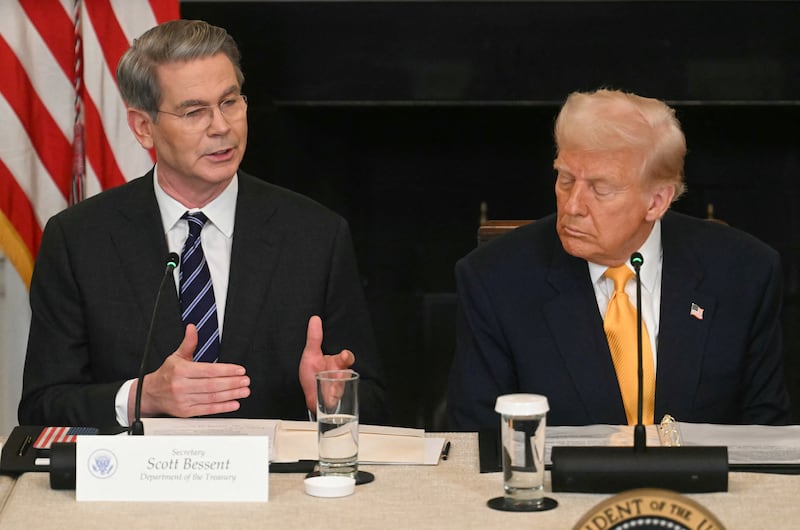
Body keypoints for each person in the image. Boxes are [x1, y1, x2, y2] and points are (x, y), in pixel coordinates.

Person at [18, 19, 386, 427]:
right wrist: (142, 397)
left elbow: (373, 399)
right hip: (137, 469)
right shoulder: (78, 240)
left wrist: (329, 401)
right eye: (194, 112)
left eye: (229, 102)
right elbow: (41, 407)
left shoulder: (316, 235)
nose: (221, 127)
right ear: (143, 128)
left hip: (275, 469)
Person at [448, 88, 791, 429]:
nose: (572, 206)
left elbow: (767, 438)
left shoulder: (745, 274)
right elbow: (477, 440)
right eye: (565, 179)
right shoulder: (494, 280)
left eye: (600, 189)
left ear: (656, 202)